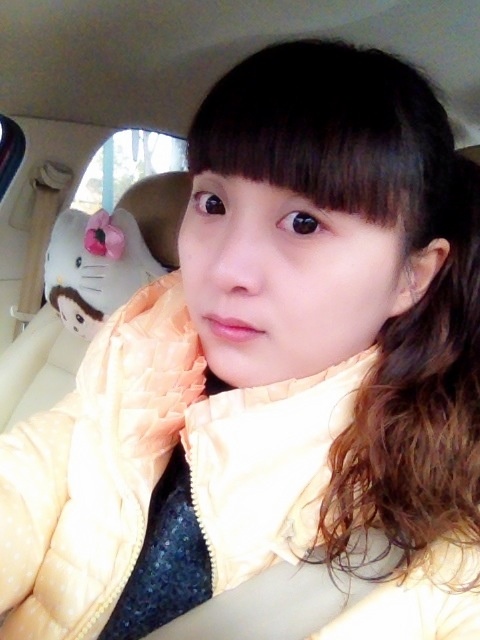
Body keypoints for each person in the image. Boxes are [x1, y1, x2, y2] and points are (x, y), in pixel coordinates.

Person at [1, 39, 480, 640]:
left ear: (413, 276)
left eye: (304, 223)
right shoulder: (138, 365)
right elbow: (20, 487)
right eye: (212, 202)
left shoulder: (445, 524)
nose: (227, 268)